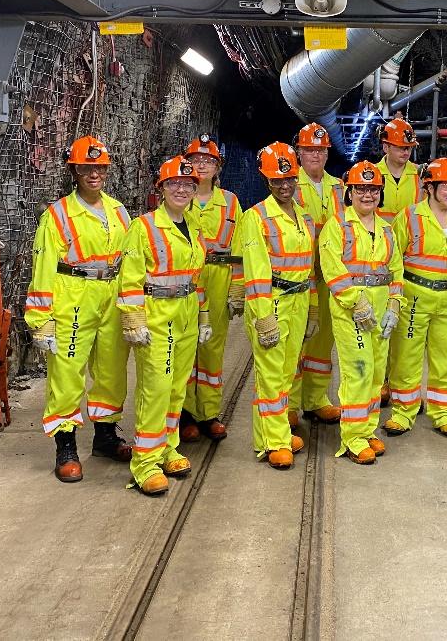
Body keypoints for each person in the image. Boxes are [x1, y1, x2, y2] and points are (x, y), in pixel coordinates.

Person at [26, 136, 133, 483]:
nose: (94, 174)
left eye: (99, 167)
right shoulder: (56, 215)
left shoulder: (118, 211)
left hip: (112, 295)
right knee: (67, 372)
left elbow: (131, 260)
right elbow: (42, 268)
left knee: (112, 369)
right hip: (74, 297)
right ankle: (66, 447)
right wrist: (40, 320)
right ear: (75, 171)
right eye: (86, 168)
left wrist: (134, 303)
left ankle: (105, 436)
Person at [117, 155, 213, 496]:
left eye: (188, 185)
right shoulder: (143, 227)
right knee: (155, 389)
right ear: (161, 188)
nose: (182, 189)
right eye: (174, 184)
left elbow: (195, 277)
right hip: (156, 318)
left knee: (176, 388)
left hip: (185, 314)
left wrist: (202, 317)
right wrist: (133, 321)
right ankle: (145, 463)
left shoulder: (194, 227)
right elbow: (129, 278)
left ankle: (168, 448)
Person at [385, 158, 447, 438]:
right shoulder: (408, 217)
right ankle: (403, 411)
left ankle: (444, 412)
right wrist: (393, 298)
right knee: (406, 355)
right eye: (446, 185)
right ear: (429, 187)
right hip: (414, 296)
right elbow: (393, 261)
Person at [318, 161, 403, 464]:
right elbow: (333, 270)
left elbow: (396, 270)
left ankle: (367, 429)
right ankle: (352, 437)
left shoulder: (386, 229)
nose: (367, 195)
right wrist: (357, 302)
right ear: (350, 192)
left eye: (373, 190)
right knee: (359, 369)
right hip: (350, 308)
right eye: (361, 189)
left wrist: (395, 303)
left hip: (380, 305)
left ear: (379, 194)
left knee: (377, 370)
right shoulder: (337, 226)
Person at [240, 142, 317, 469]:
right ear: (266, 181)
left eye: (289, 180)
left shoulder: (305, 217)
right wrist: (264, 318)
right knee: (271, 376)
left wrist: (312, 306)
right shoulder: (255, 218)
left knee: (287, 374)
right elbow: (256, 274)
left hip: (298, 302)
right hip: (271, 304)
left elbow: (309, 266)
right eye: (277, 181)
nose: (284, 186)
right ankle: (272, 443)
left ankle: (278, 432)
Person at [180, 134, 242, 443]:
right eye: (196, 160)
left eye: (209, 161)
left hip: (219, 277)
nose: (202, 165)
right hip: (188, 279)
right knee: (185, 346)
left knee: (213, 347)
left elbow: (241, 248)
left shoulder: (230, 202)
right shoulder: (178, 196)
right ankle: (184, 414)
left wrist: (238, 289)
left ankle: (208, 413)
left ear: (217, 168)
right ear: (186, 164)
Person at [290, 122, 343, 427]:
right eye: (309, 149)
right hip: (300, 275)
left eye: (320, 150)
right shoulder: (289, 184)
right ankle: (291, 404)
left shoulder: (339, 187)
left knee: (324, 340)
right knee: (297, 340)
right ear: (298, 152)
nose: (315, 155)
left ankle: (316, 399)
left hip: (330, 275)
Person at [375, 114, 425, 404]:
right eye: (398, 146)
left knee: (407, 328)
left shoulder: (420, 177)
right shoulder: (370, 175)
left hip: (411, 260)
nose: (404, 151)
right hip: (378, 259)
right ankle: (380, 382)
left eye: (407, 147)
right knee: (383, 322)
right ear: (385, 147)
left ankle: (400, 385)